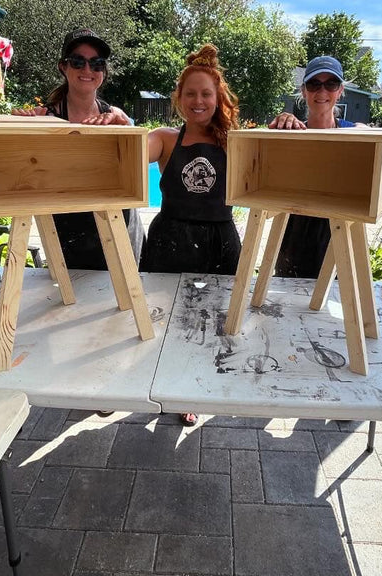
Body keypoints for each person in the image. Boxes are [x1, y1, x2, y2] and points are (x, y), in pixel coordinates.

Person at [140, 44, 241, 427]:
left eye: (206, 94)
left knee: (211, 322)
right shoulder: (164, 138)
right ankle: (155, 382)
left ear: (218, 98)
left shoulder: (236, 142)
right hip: (170, 242)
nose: (198, 101)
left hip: (220, 244)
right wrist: (112, 127)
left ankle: (189, 391)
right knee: (165, 320)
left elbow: (277, 157)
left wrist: (288, 122)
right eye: (190, 93)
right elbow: (130, 153)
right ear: (179, 98)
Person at [12, 28, 144, 270]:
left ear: (103, 71)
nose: (87, 70)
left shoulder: (116, 116)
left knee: (124, 285)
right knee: (73, 288)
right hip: (69, 222)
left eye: (97, 63)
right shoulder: (45, 119)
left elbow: (136, 168)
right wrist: (19, 130)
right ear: (63, 67)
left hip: (117, 219)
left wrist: (125, 131)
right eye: (78, 62)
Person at [268, 55, 363, 278]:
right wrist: (281, 125)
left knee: (338, 294)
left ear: (340, 90)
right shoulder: (291, 133)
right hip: (295, 232)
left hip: (339, 232)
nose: (322, 91)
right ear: (303, 91)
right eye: (314, 84)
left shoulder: (357, 134)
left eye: (331, 84)